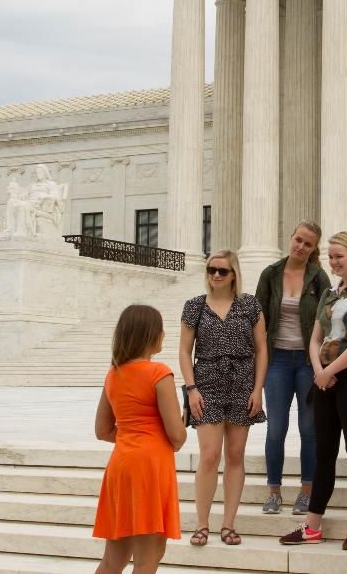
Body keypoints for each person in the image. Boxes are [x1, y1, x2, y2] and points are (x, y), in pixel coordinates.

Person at [280, 231, 347, 551]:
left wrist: (330, 371)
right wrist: (319, 372)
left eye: (339, 256)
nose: (334, 262)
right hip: (323, 379)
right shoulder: (330, 293)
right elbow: (315, 337)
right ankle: (312, 524)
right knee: (324, 454)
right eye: (331, 256)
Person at [180, 250, 268, 547]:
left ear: (234, 274)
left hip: (243, 382)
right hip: (205, 383)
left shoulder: (249, 305)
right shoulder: (194, 306)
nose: (215, 275)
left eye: (222, 271)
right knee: (208, 456)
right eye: (211, 269)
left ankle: (228, 524)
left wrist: (258, 390)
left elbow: (262, 350)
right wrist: (191, 389)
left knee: (235, 455)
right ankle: (202, 524)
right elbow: (184, 350)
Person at [92, 305, 187, 574]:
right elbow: (176, 435)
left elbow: (102, 430)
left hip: (121, 464)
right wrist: (165, 433)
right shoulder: (159, 373)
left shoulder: (113, 374)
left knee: (113, 559)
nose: (164, 334)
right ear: (150, 335)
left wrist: (134, 433)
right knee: (148, 558)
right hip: (150, 466)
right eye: (160, 329)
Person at [255, 221, 330, 516]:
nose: (300, 247)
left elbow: (328, 318)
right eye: (298, 240)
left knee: (309, 429)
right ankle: (273, 491)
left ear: (313, 249)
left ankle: (306, 491)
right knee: (275, 429)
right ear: (291, 238)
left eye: (307, 244)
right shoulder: (271, 274)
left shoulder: (318, 277)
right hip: (278, 361)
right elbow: (257, 320)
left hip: (308, 361)